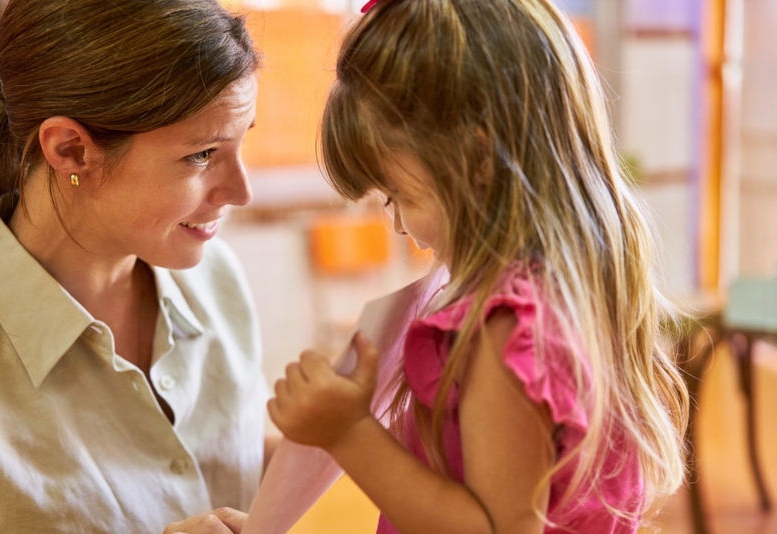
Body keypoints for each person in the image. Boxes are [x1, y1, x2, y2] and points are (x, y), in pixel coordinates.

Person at [267, 0, 689, 533]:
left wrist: (348, 431)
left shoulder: (506, 328)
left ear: (477, 159)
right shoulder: (575, 290)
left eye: (398, 196)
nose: (399, 226)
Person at [0, 0, 274, 532]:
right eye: (203, 154)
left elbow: (221, 456)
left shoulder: (216, 278)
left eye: (241, 140)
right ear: (71, 151)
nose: (242, 192)